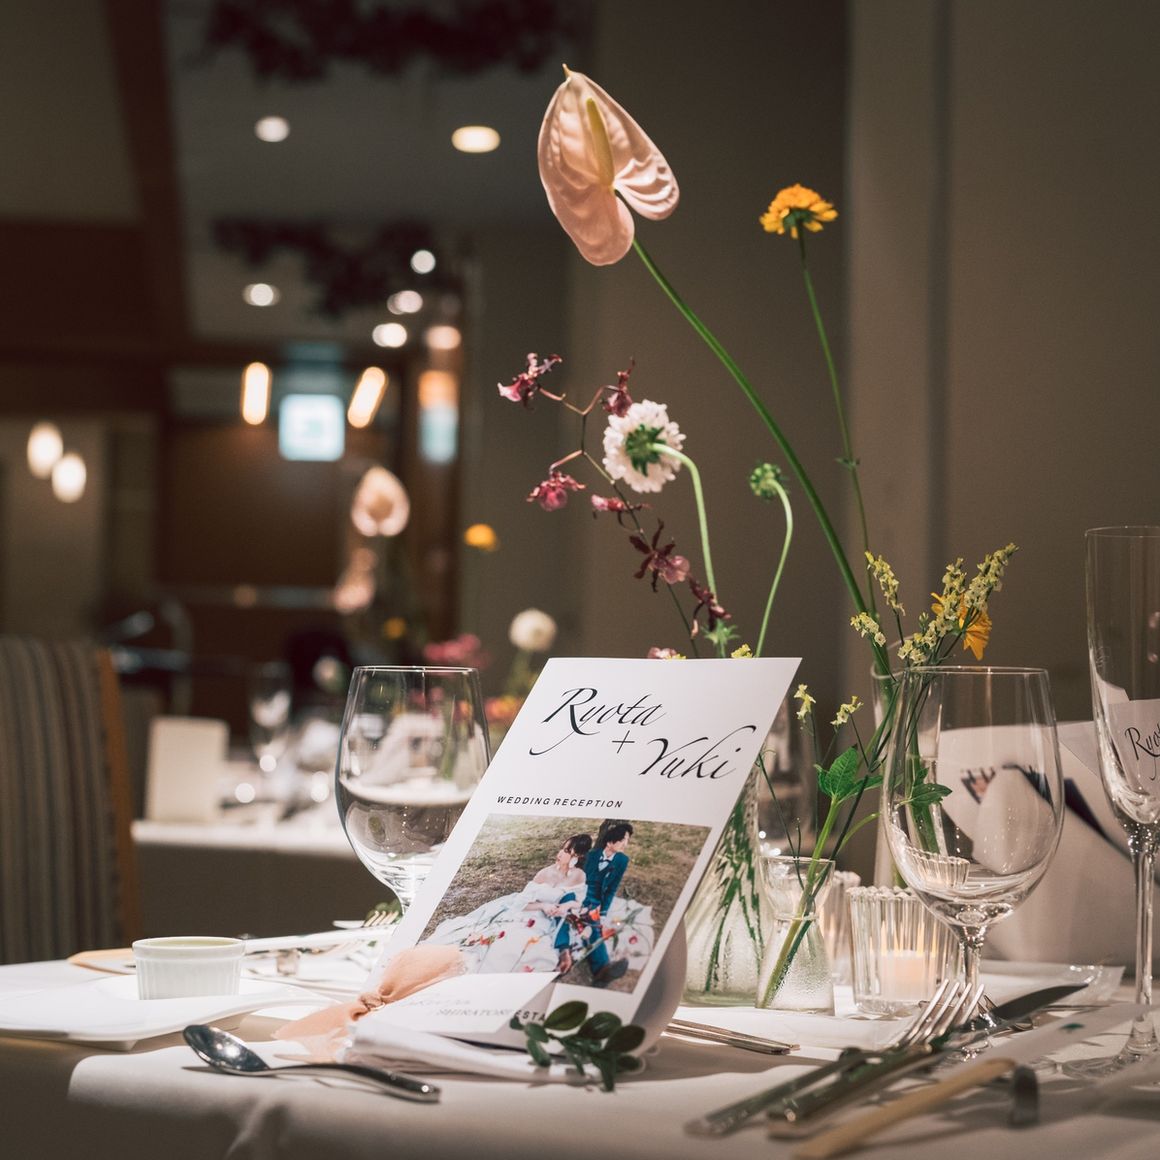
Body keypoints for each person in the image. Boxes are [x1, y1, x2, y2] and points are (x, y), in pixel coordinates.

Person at [423, 834, 597, 972]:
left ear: (577, 856)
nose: (559, 854)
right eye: (562, 848)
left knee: (530, 948)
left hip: (550, 921)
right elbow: (521, 903)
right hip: (530, 913)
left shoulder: (579, 876)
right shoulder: (545, 873)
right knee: (506, 941)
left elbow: (578, 903)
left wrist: (565, 906)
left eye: (566, 851)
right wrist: (543, 906)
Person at [555, 820, 635, 987]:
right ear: (611, 841)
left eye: (627, 840)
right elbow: (575, 876)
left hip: (595, 898)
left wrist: (603, 912)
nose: (625, 844)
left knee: (592, 921)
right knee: (569, 911)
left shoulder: (622, 860)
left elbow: (612, 888)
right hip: (579, 891)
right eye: (623, 840)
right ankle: (566, 951)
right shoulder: (591, 855)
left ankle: (601, 970)